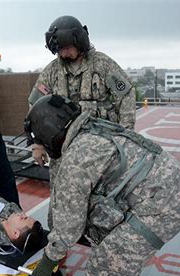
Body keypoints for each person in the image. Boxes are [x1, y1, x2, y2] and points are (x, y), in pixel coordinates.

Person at [24, 95, 180, 276]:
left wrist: (48, 262)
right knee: (104, 236)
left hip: (163, 205)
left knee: (106, 265)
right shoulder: (94, 128)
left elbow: (69, 224)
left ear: (48, 132)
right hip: (168, 188)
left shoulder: (77, 159)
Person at [28, 15, 136, 167]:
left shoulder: (102, 64)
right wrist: (38, 145)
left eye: (67, 48)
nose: (63, 53)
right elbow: (36, 106)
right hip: (65, 148)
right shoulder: (52, 71)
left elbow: (125, 96)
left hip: (102, 146)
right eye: (59, 49)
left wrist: (126, 136)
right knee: (63, 189)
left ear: (79, 42)